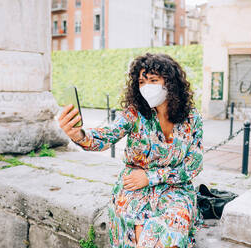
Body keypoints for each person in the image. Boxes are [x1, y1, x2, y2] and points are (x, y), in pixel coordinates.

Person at [58, 53, 203, 248]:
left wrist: (151, 177)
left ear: (170, 83)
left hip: (175, 188)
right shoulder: (134, 113)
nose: (147, 87)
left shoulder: (191, 118)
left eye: (153, 80)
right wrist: (79, 135)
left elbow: (194, 164)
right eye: (142, 82)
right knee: (138, 232)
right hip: (134, 187)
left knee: (170, 236)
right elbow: (106, 135)